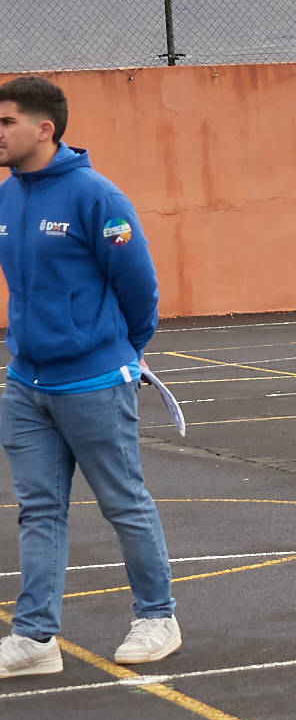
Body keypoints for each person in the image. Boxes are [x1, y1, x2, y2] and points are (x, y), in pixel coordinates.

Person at [0, 75, 181, 677]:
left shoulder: (94, 196)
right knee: (38, 510)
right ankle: (35, 639)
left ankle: (158, 618)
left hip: (94, 383)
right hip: (27, 385)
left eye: (6, 122)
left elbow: (139, 285)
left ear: (44, 128)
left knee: (123, 502)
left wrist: (127, 352)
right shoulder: (9, 195)